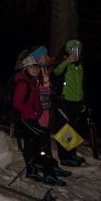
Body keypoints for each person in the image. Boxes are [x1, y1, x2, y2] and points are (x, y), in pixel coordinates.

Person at [12, 56, 69, 185]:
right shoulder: (23, 83)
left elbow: (39, 99)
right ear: (25, 68)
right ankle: (49, 173)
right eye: (32, 67)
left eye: (36, 67)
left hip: (32, 118)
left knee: (31, 142)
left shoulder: (33, 82)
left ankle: (31, 170)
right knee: (44, 139)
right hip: (24, 118)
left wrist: (39, 110)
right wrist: (32, 111)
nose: (35, 69)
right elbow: (17, 104)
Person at [51, 39, 86, 167]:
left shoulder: (79, 66)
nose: (76, 52)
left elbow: (81, 85)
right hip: (64, 101)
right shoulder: (63, 63)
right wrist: (67, 61)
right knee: (64, 129)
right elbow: (55, 72)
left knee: (72, 128)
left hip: (76, 102)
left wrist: (83, 101)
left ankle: (71, 154)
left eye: (78, 49)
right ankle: (64, 157)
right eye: (73, 50)